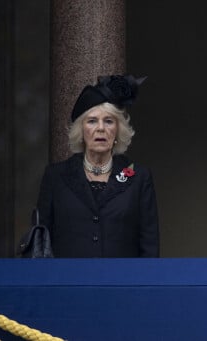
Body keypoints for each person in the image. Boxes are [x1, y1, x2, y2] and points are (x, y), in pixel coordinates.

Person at [35, 74, 160, 257]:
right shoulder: (55, 177)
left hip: (122, 283)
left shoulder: (139, 178)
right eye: (92, 121)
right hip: (68, 282)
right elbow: (41, 241)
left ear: (117, 130)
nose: (100, 128)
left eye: (108, 121)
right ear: (81, 130)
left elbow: (150, 248)